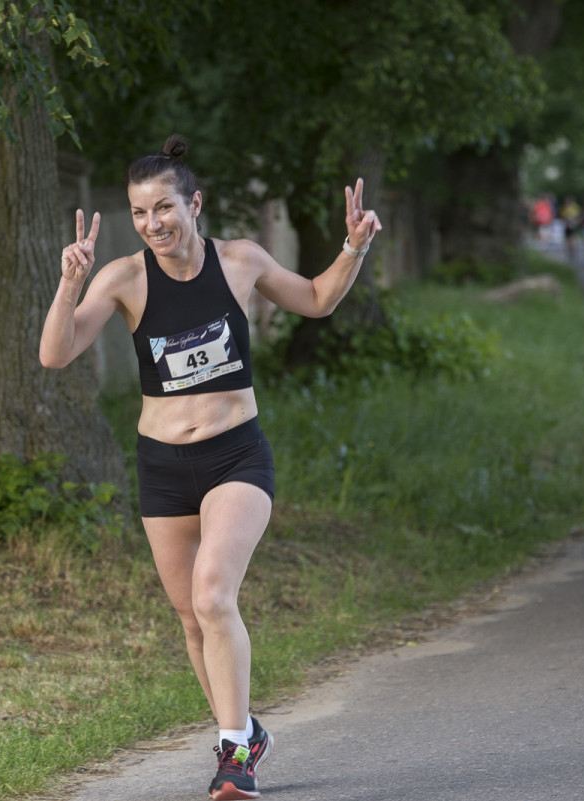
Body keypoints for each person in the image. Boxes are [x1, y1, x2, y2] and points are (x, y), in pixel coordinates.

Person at [39, 134, 381, 800]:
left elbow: (316, 299)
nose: (153, 223)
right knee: (191, 619)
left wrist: (353, 247)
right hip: (163, 466)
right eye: (140, 213)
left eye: (164, 207)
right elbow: (56, 353)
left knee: (212, 595)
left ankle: (233, 758)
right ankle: (244, 729)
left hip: (235, 455)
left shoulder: (241, 262)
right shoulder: (124, 278)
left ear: (194, 203)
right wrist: (68, 283)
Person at [559, 195, 582, 262]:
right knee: (569, 239)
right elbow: (562, 216)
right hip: (567, 225)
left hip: (573, 225)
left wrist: (577, 222)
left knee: (572, 238)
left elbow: (579, 216)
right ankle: (570, 251)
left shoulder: (575, 207)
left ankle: (573, 251)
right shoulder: (565, 207)